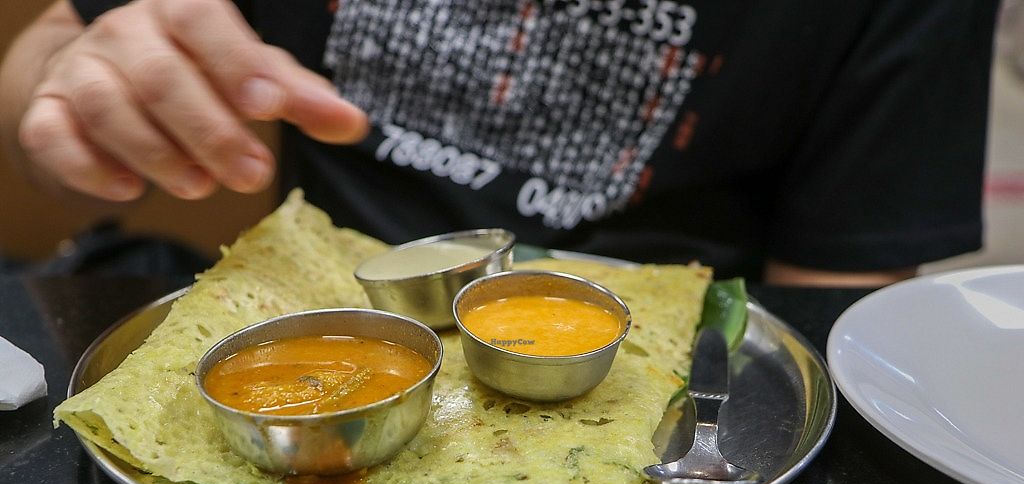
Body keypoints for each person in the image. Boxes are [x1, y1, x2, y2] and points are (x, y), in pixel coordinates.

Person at [0, 0, 1001, 285]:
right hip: (327, 327)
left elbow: (828, 318)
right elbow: (44, 69)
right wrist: (72, 98)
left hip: (670, 402)